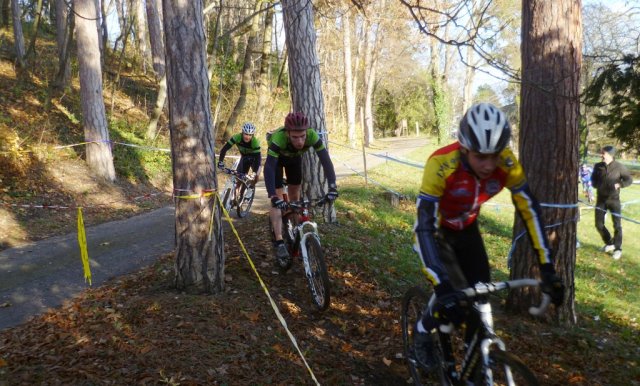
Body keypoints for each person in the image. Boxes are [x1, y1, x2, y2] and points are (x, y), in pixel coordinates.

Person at [412, 103, 564, 369]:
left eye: (494, 155)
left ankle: (476, 364)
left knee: (480, 296)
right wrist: (440, 282)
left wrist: (547, 266)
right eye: (481, 156)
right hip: (438, 233)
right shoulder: (441, 164)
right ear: (465, 149)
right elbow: (423, 228)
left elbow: (530, 210)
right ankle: (423, 330)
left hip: (468, 229)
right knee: (453, 297)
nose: (488, 164)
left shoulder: (507, 163)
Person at [263, 111, 338, 267]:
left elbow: (325, 160)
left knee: (295, 196)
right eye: (295, 137)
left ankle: (298, 231)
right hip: (277, 161)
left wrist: (332, 187)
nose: (300, 141)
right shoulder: (279, 138)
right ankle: (279, 241)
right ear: (288, 133)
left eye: (302, 136)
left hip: (294, 160)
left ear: (307, 132)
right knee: (277, 198)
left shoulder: (312, 135)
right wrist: (272, 195)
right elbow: (269, 167)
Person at [591, 145, 632, 260]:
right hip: (601, 200)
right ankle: (609, 243)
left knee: (617, 225)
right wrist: (596, 184)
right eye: (601, 153)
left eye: (603, 153)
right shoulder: (598, 166)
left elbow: (629, 179)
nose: (601, 155)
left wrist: (620, 184)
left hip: (614, 200)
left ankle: (618, 249)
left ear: (610, 155)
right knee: (598, 224)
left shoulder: (619, 167)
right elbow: (593, 179)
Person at [217, 122, 262, 187]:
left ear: (252, 135)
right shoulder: (237, 137)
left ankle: (251, 188)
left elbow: (258, 158)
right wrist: (220, 161)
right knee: (239, 178)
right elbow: (224, 149)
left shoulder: (255, 142)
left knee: (256, 176)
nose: (247, 137)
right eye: (246, 134)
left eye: (250, 135)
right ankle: (237, 195)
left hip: (254, 158)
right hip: (244, 157)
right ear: (242, 133)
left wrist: (254, 172)